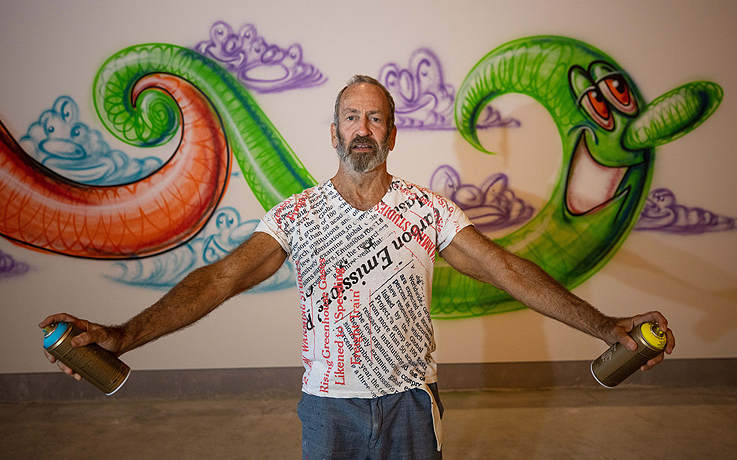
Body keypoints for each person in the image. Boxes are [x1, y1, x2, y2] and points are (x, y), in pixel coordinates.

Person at [41, 74, 675, 459]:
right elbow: (220, 278)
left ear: (392, 135)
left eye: (376, 118)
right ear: (335, 133)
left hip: (410, 404)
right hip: (328, 408)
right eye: (351, 117)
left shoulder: (427, 211)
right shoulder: (297, 215)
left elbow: (508, 270)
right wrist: (122, 335)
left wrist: (605, 326)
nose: (363, 128)